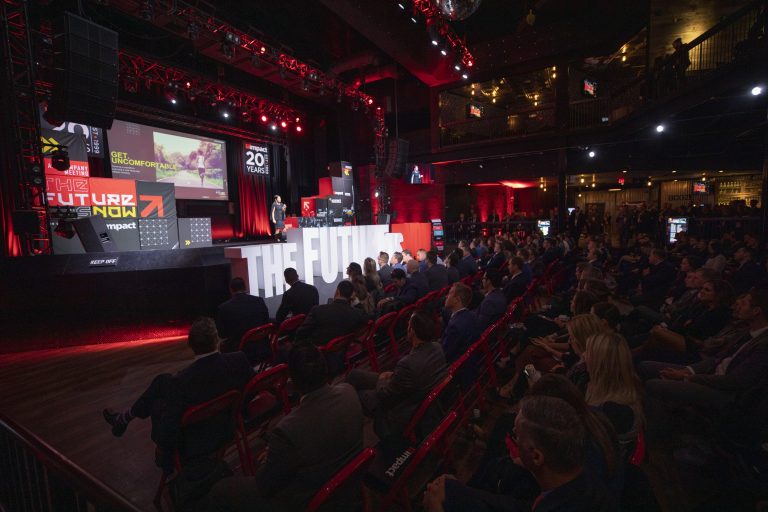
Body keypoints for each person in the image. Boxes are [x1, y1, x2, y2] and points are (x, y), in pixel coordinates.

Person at [209, 345, 364, 512]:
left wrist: (271, 456)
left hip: (306, 500)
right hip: (348, 489)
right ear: (325, 370)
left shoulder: (287, 430)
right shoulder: (349, 392)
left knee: (221, 490)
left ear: (293, 381)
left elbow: (265, 484)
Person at [102, 318, 253, 473]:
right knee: (162, 381)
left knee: (158, 404)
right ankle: (124, 418)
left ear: (191, 346)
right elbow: (250, 392)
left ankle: (124, 419)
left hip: (197, 440)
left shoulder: (182, 381)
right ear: (217, 340)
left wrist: (163, 451)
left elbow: (168, 431)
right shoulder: (239, 360)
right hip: (229, 427)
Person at [424, 395, 612, 512]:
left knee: (445, 494)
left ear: (537, 456)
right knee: (450, 489)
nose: (513, 441)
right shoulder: (582, 476)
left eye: (516, 436)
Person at [643, 288, 768, 418]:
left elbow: (734, 381)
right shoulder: (747, 331)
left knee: (653, 386)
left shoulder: (764, 344)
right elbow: (716, 359)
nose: (737, 307)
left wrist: (687, 377)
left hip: (724, 392)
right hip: (709, 374)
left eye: (743, 304)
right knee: (646, 366)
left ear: (756, 311)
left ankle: (656, 431)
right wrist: (688, 370)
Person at [347, 310, 447, 439]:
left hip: (398, 408)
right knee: (355, 375)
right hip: (407, 388)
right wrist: (391, 377)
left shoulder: (408, 363)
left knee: (354, 394)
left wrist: (383, 379)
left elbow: (384, 395)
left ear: (412, 331)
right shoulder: (437, 347)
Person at [294, 281, 368, 348]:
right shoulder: (357, 313)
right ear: (351, 295)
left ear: (337, 292)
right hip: (342, 351)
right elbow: (368, 318)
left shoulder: (317, 310)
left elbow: (300, 333)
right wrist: (356, 301)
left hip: (319, 353)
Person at [216, 277, 270, 354]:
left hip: (240, 352)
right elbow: (266, 322)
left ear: (231, 290)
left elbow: (222, 334)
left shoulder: (223, 308)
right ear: (245, 287)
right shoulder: (259, 300)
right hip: (263, 346)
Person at [441, 282, 483, 363]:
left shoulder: (454, 326)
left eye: (449, 294)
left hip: (458, 368)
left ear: (457, 299)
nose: (446, 296)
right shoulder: (472, 316)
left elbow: (445, 354)